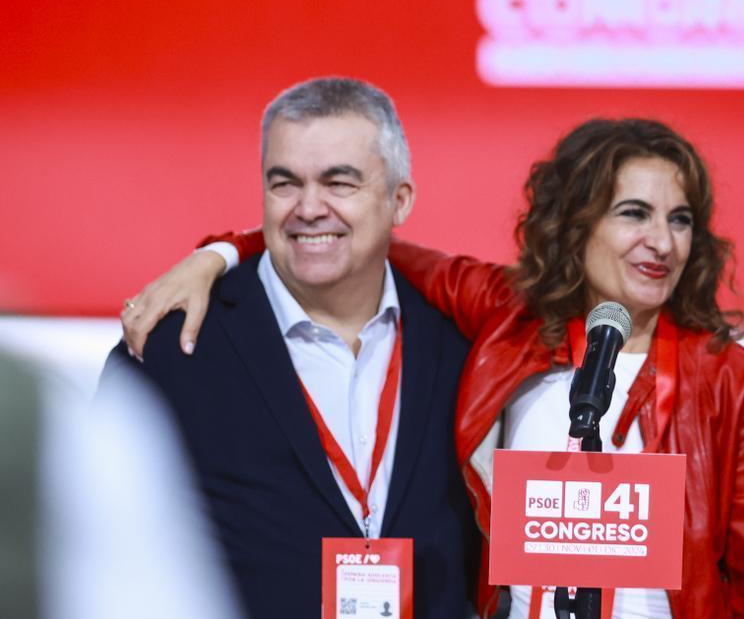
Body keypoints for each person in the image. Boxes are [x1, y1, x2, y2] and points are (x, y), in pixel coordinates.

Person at [122, 118, 744, 617]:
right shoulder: (507, 318)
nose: (661, 241)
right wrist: (222, 254)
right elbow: (353, 237)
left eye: (679, 220)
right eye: (634, 214)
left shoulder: (737, 384)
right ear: (578, 222)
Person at [103, 77, 478, 618]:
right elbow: (101, 552)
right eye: (284, 184)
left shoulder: (463, 348)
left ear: (400, 201)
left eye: (339, 183)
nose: (308, 208)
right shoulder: (170, 347)